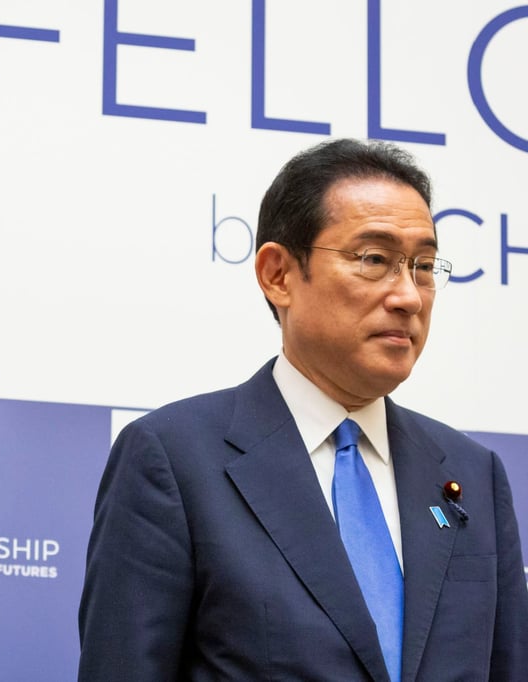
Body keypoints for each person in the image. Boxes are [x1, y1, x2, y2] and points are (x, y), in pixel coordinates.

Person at [78, 138, 528, 680]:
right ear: (278, 275)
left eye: (424, 265)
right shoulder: (173, 460)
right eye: (375, 259)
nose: (409, 295)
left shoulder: (471, 474)